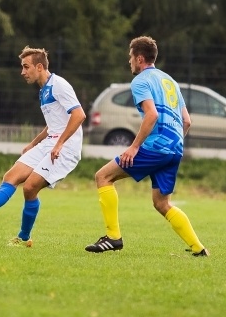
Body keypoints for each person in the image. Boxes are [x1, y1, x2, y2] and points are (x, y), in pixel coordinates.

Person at [0, 46, 86, 247]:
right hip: (50, 143)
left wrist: (59, 144)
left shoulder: (59, 85)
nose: (22, 72)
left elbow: (79, 115)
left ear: (39, 67)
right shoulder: (44, 90)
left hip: (66, 147)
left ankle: (23, 237)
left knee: (30, 187)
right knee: (11, 177)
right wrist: (33, 143)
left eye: (26, 67)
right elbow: (55, 123)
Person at [84, 35, 209, 256]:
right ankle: (199, 248)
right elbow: (187, 121)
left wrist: (134, 147)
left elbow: (151, 115)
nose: (129, 61)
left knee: (103, 177)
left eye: (130, 57)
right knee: (162, 203)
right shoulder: (170, 82)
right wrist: (173, 145)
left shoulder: (140, 81)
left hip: (155, 147)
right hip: (175, 149)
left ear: (139, 58)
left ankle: (113, 237)